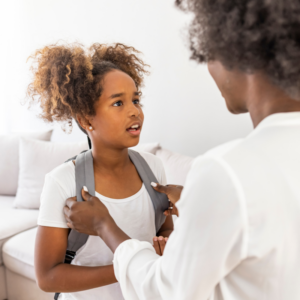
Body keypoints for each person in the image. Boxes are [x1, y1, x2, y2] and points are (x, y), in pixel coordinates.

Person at [64, 0, 300, 299]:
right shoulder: (64, 178)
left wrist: (104, 225)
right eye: (118, 102)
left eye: (209, 55)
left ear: (236, 53)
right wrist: (196, 201)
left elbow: (167, 290)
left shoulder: (225, 170)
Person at [28, 43, 174, 300]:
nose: (134, 110)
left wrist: (165, 247)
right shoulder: (63, 182)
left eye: (136, 100)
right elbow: (47, 277)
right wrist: (129, 267)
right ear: (86, 119)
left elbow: (165, 231)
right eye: (118, 103)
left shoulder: (154, 168)